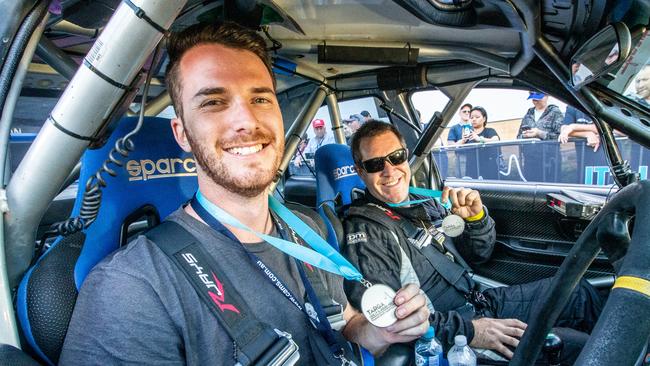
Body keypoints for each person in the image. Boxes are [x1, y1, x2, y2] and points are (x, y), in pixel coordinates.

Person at [60, 22, 431, 365]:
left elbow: (343, 321)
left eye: (260, 98)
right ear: (182, 134)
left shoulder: (309, 229)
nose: (246, 121)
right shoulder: (131, 288)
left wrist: (378, 331)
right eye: (213, 102)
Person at [342, 120, 604, 362]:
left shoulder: (424, 202)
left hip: (480, 301)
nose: (389, 171)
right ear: (360, 171)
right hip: (451, 334)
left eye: (396, 157)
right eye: (376, 164)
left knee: (578, 294)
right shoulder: (367, 233)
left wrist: (476, 221)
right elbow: (390, 323)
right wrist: (470, 331)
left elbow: (478, 256)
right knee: (575, 347)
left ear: (405, 156)